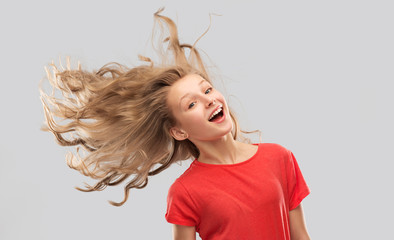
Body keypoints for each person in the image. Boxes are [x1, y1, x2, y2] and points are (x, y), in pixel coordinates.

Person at [39, 8, 311, 240]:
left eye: (207, 91)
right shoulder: (185, 192)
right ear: (179, 131)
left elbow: (301, 236)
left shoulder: (280, 158)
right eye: (190, 104)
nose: (208, 101)